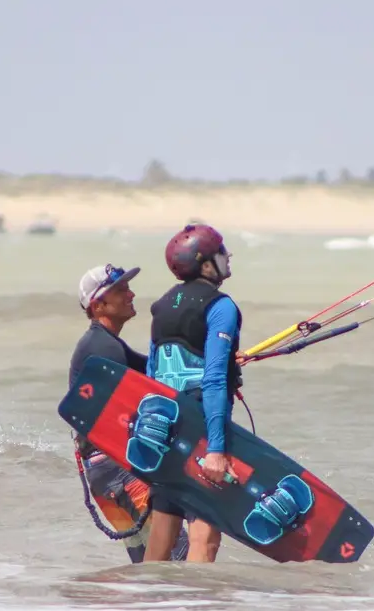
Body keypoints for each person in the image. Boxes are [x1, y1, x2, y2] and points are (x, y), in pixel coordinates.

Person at [68, 263, 190, 563]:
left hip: (104, 475)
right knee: (177, 556)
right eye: (121, 290)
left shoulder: (106, 345)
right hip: (119, 473)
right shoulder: (103, 349)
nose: (131, 294)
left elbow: (154, 372)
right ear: (99, 305)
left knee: (149, 567)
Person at [143, 223, 244, 563]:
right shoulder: (222, 307)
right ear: (205, 264)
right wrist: (216, 449)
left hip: (164, 427)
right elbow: (214, 380)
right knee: (205, 538)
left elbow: (152, 375)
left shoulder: (161, 306)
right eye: (220, 252)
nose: (227, 256)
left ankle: (146, 599)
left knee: (163, 533)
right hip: (201, 427)